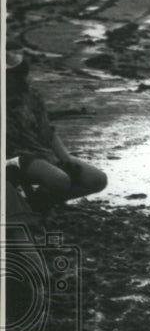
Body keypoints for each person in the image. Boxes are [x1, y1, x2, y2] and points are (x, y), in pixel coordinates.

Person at [5, 50, 107, 216]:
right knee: (59, 179)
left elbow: (47, 131)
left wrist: (66, 159)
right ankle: (33, 209)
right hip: (11, 157)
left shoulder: (30, 95)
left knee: (96, 179)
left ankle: (36, 204)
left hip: (38, 150)